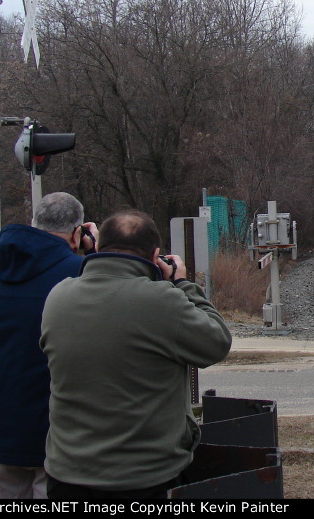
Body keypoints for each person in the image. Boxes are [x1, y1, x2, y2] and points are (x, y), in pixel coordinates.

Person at [40, 209, 232, 499]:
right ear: (155, 255)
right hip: (145, 477)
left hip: (66, 474)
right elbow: (216, 342)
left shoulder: (58, 296)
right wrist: (182, 284)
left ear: (98, 246)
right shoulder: (161, 300)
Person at [0, 192, 97, 499]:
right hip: (54, 424)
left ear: (33, 223)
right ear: (77, 233)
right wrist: (95, 252)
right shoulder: (79, 273)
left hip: (0, 417)